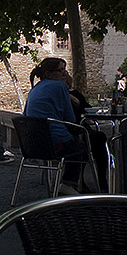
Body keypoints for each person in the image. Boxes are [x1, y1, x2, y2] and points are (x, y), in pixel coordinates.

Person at [24, 58, 96, 193]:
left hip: (33, 144)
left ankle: (71, 183)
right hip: (55, 143)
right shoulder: (60, 87)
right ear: (49, 73)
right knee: (84, 145)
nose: (64, 74)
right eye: (61, 70)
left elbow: (24, 115)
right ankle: (69, 183)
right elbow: (70, 119)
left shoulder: (34, 89)